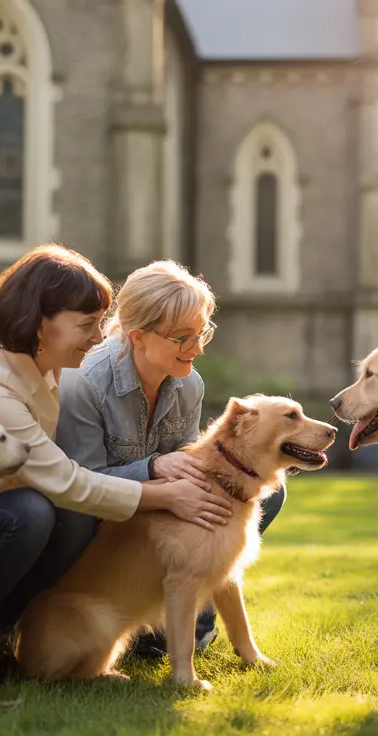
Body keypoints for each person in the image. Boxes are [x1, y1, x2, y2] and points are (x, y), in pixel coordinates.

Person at [0, 244, 229, 683]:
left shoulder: (46, 367)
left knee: (47, 513)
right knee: (36, 514)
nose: (100, 336)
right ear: (37, 323)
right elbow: (68, 483)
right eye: (87, 325)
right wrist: (164, 491)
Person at [55, 260, 287, 658]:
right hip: (91, 515)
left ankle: (187, 620)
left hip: (156, 511)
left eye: (202, 334)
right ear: (138, 337)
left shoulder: (187, 382)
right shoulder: (85, 383)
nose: (196, 349)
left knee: (256, 495)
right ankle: (147, 616)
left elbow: (192, 460)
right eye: (183, 338)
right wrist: (153, 468)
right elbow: (81, 481)